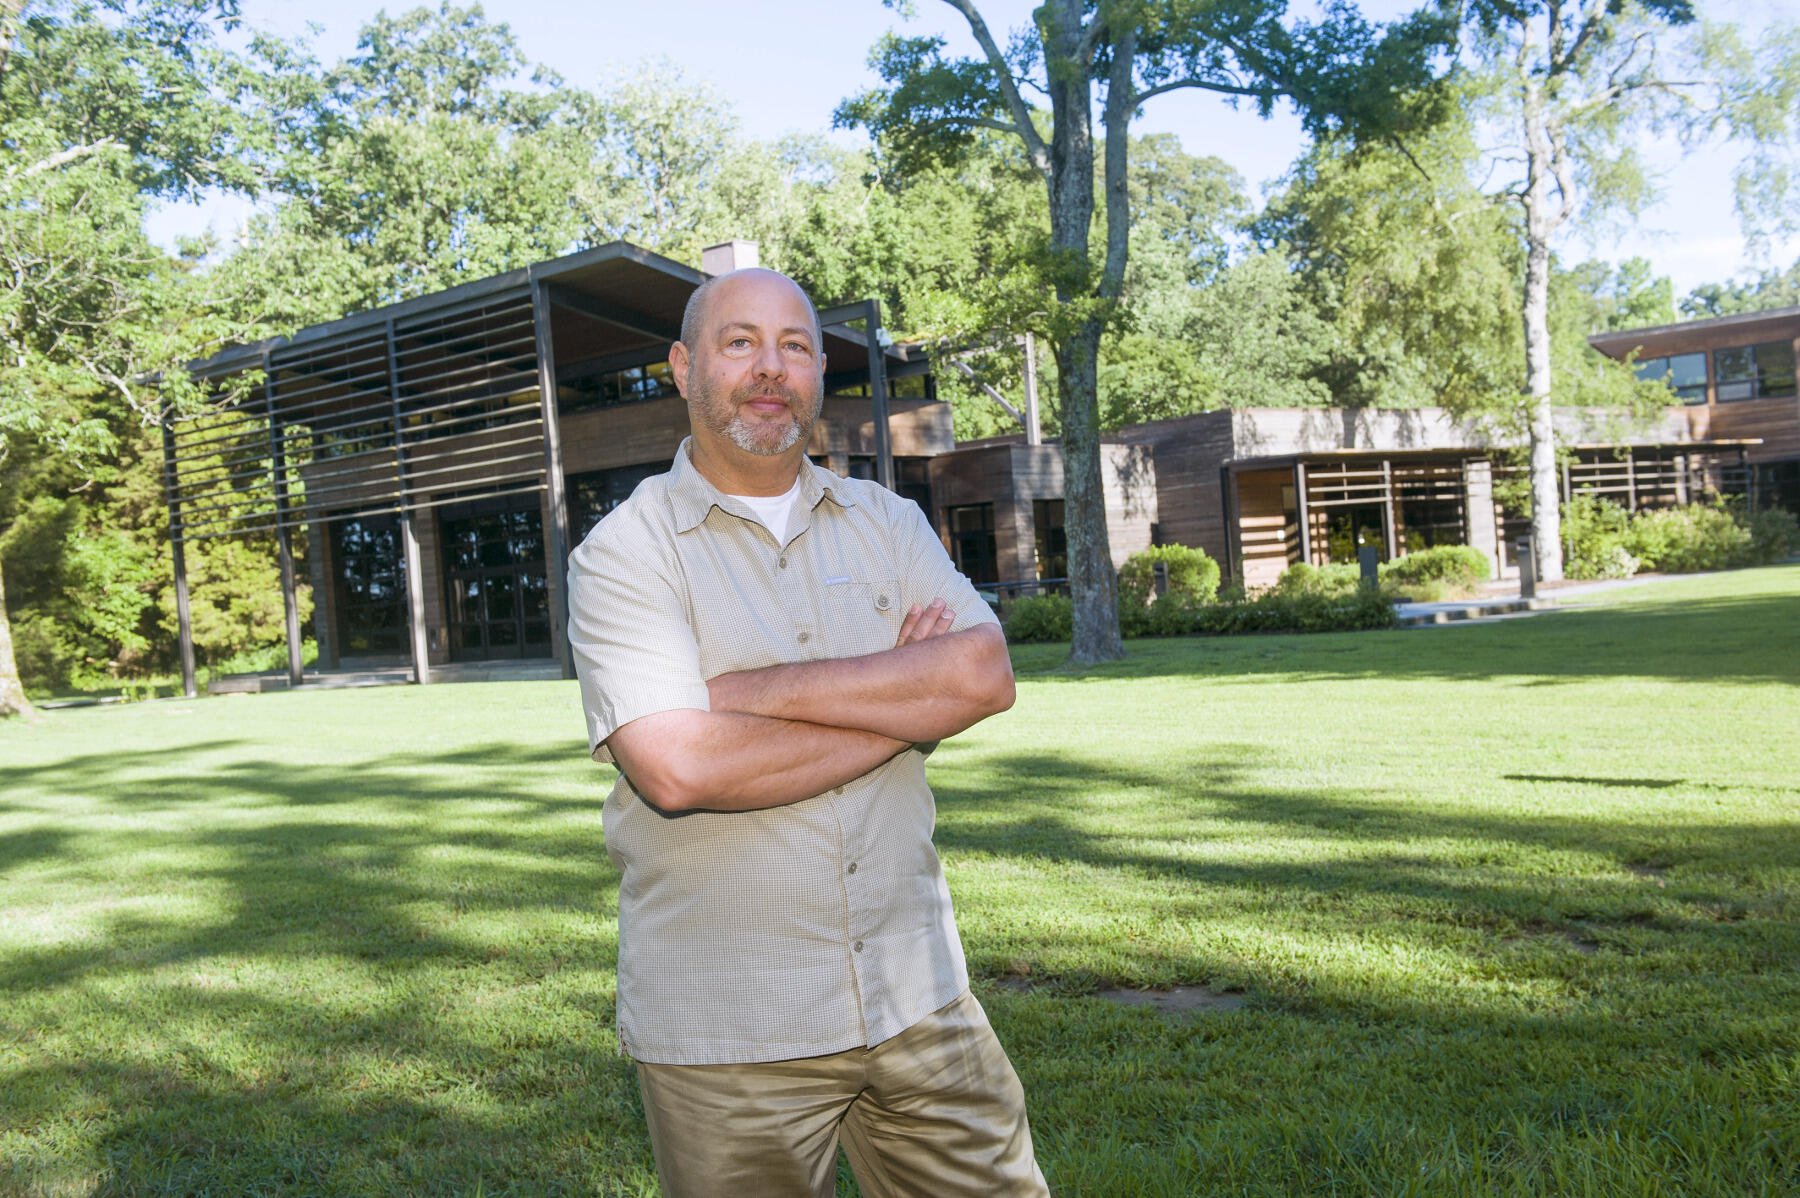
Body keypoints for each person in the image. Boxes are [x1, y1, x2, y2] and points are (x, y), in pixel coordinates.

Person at [565, 266, 1048, 1197]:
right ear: (683, 367)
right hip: (731, 1026)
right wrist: (907, 705)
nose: (769, 367)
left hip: (919, 994)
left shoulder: (888, 523)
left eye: (794, 346)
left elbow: (984, 676)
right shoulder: (626, 552)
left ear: (820, 372)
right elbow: (678, 766)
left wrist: (752, 694)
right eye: (739, 342)